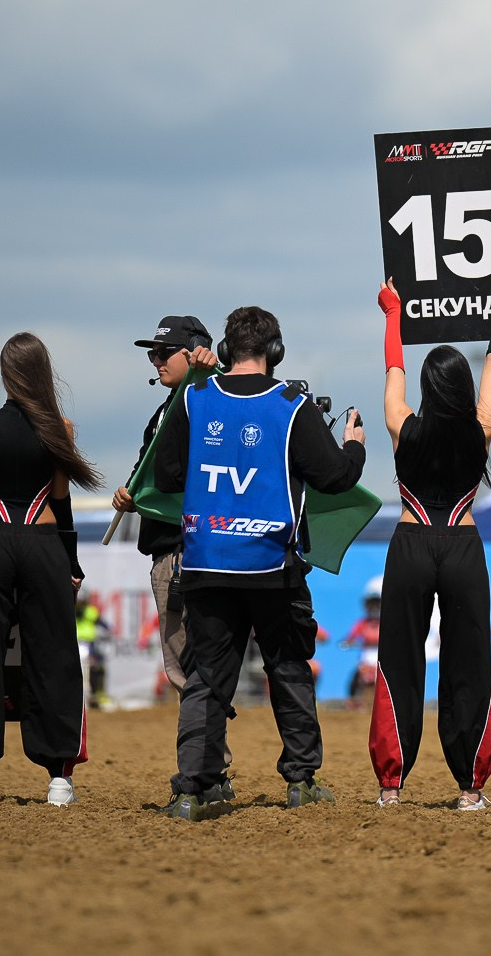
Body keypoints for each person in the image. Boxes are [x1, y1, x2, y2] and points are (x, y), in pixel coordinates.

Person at [152, 306, 366, 820]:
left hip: (205, 562)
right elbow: (335, 477)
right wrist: (354, 447)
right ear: (276, 353)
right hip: (274, 566)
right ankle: (301, 781)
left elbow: (166, 476)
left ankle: (192, 790)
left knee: (206, 679)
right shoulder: (293, 404)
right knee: (288, 669)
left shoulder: (194, 399)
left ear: (225, 352)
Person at [369, 268, 491, 811]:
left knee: (400, 660)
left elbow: (393, 366)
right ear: (460, 388)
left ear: (427, 389)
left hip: (410, 546)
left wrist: (393, 309)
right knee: (468, 662)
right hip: (462, 547)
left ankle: (392, 784)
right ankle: (470, 788)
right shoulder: (480, 428)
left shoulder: (400, 424)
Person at [0, 331, 101, 809]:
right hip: (43, 545)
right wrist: (71, 563)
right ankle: (60, 780)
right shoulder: (60, 429)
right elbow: (60, 501)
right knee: (54, 658)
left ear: (6, 375)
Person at [113, 314, 219, 700]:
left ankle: (202, 758)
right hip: (171, 554)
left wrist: (209, 376)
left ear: (195, 352)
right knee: (185, 668)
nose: (157, 360)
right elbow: (143, 474)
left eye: (165, 352)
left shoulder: (211, 395)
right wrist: (128, 494)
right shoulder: (160, 415)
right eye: (152, 354)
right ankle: (206, 755)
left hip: (196, 549)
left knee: (195, 668)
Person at [340, 578, 384, 709]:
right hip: (366, 658)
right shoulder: (362, 623)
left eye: (378, 604)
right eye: (372, 605)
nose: (375, 608)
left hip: (381, 658)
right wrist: (348, 643)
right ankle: (353, 700)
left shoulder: (386, 624)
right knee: (357, 677)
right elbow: (350, 638)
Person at [76, 592, 111, 709]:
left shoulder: (90, 611)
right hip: (73, 644)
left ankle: (95, 695)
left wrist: (108, 631)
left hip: (88, 645)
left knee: (96, 668)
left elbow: (103, 624)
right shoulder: (68, 609)